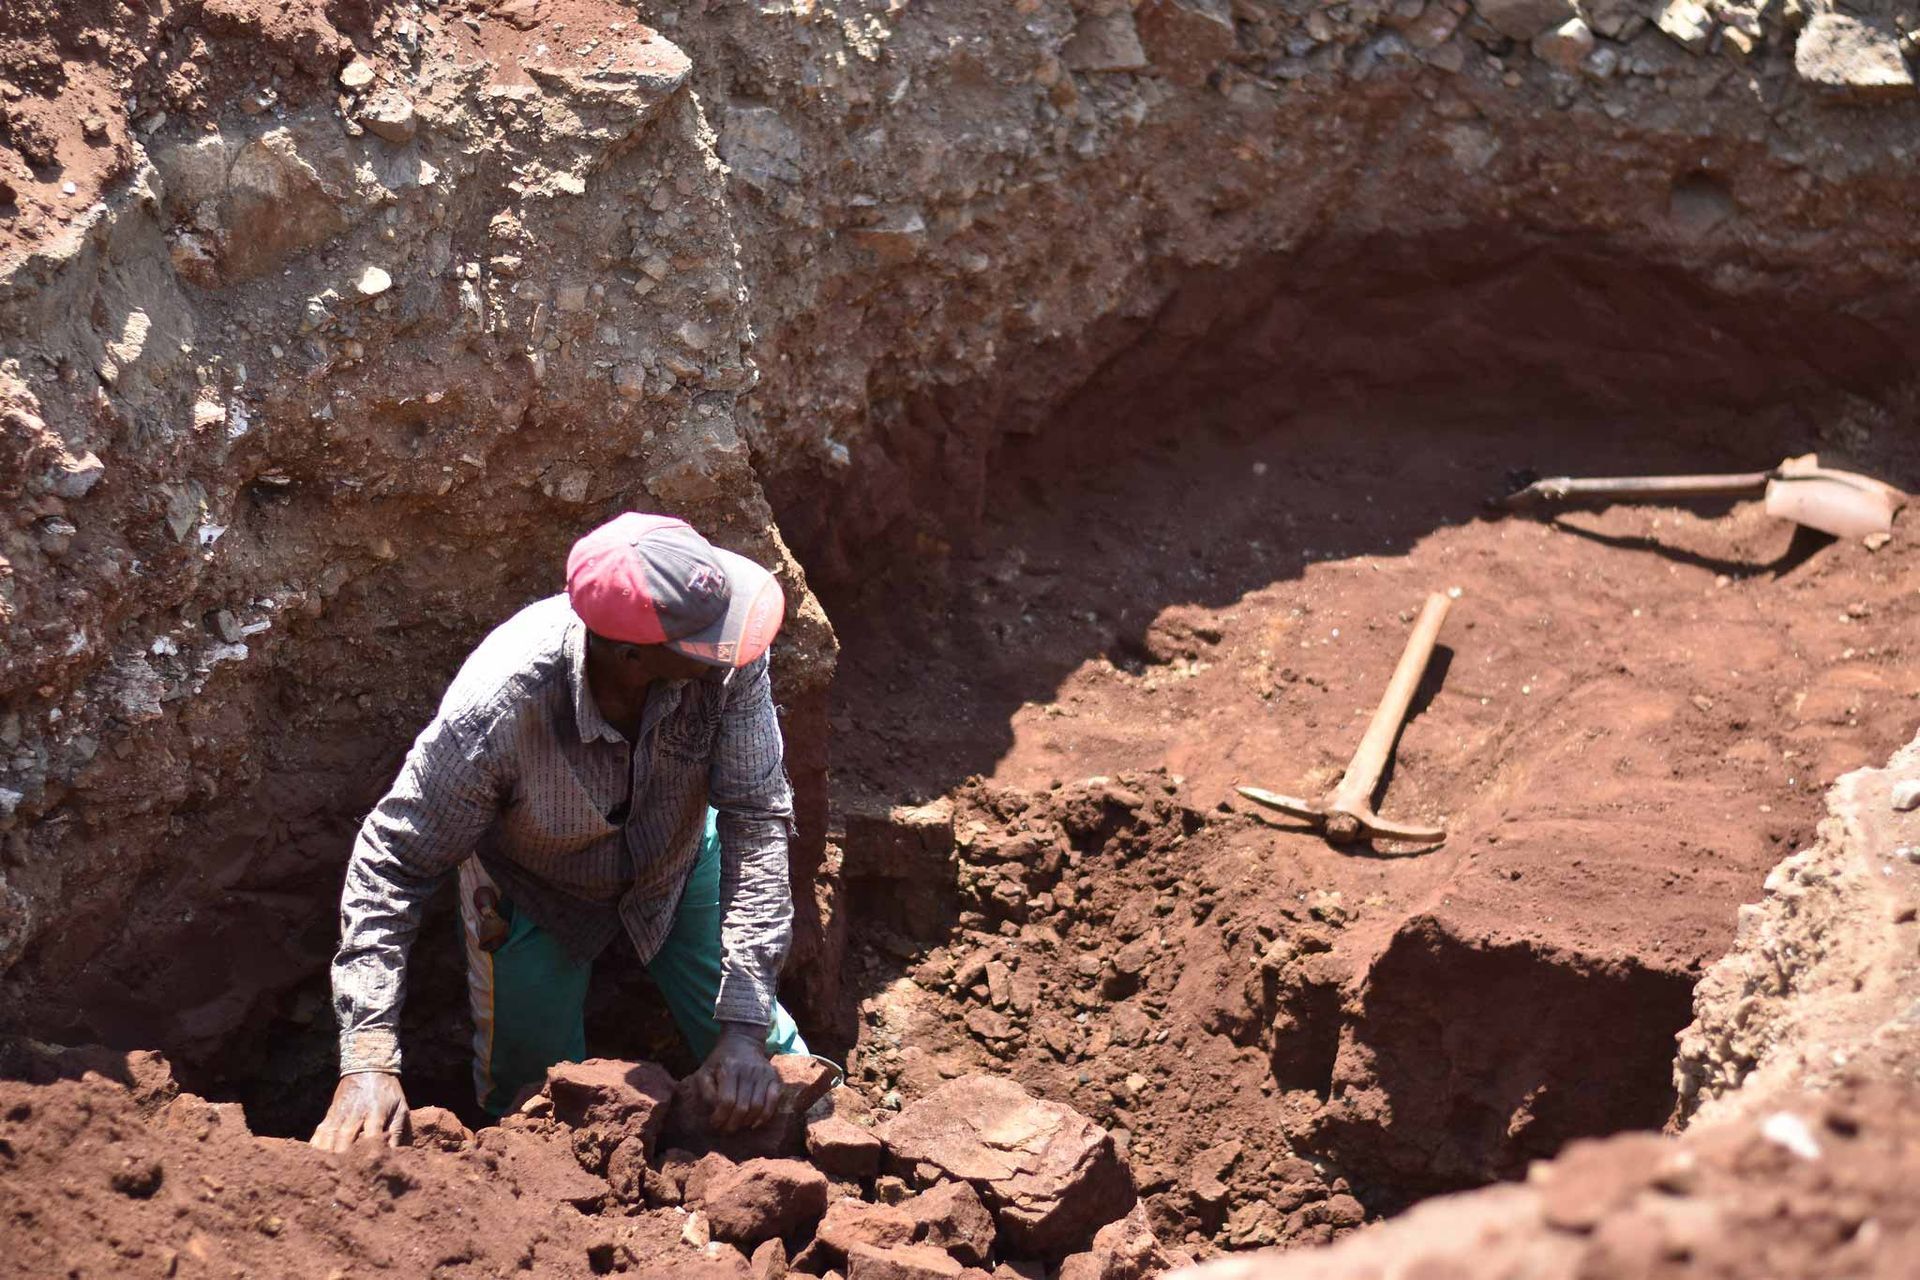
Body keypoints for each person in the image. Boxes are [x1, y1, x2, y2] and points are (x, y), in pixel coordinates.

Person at [310, 512, 807, 1151]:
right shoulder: (499, 709)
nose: (732, 642)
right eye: (706, 637)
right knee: (532, 1116)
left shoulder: (727, 660)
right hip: (534, 890)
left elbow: (756, 814)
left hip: (678, 864)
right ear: (633, 655)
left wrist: (742, 1027)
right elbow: (394, 861)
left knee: (776, 1073)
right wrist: (368, 1058)